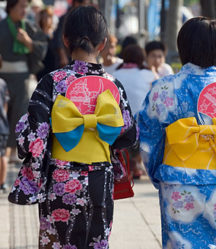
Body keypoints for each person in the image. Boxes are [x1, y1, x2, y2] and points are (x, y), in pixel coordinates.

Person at [8, 6, 138, 248]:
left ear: (66, 40)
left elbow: (33, 136)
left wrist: (25, 129)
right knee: (96, 242)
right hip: (101, 176)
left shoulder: (53, 81)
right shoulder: (114, 85)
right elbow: (129, 134)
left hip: (60, 176)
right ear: (103, 44)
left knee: (57, 242)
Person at [137, 17, 216, 248]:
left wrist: (158, 172)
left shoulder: (164, 89)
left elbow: (148, 138)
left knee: (179, 243)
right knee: (212, 243)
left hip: (175, 179)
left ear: (182, 47)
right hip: (213, 179)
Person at [0, 0, 47, 163]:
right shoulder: (1, 26)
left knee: (19, 113)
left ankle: (13, 150)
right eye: (20, 6)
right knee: (2, 114)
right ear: (11, 8)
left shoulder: (29, 27)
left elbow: (42, 48)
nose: (24, 10)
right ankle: (2, 150)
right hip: (2, 77)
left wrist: (28, 41)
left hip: (22, 76)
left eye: (25, 6)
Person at [114, 44, 156, 115]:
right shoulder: (148, 74)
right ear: (142, 57)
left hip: (120, 119)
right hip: (141, 119)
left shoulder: (114, 74)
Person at [52, 0, 89, 69]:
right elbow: (58, 38)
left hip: (79, 59)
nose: (86, 7)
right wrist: (62, 56)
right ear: (76, 3)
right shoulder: (65, 18)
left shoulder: (82, 18)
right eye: (85, 4)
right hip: (66, 58)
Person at [36, 6, 57, 80]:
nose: (47, 19)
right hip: (41, 69)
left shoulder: (55, 34)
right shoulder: (38, 34)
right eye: (44, 16)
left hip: (53, 67)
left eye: (49, 16)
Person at [0, 78, 9, 192]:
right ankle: (2, 183)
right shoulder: (2, 82)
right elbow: (6, 104)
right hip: (2, 124)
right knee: (2, 155)